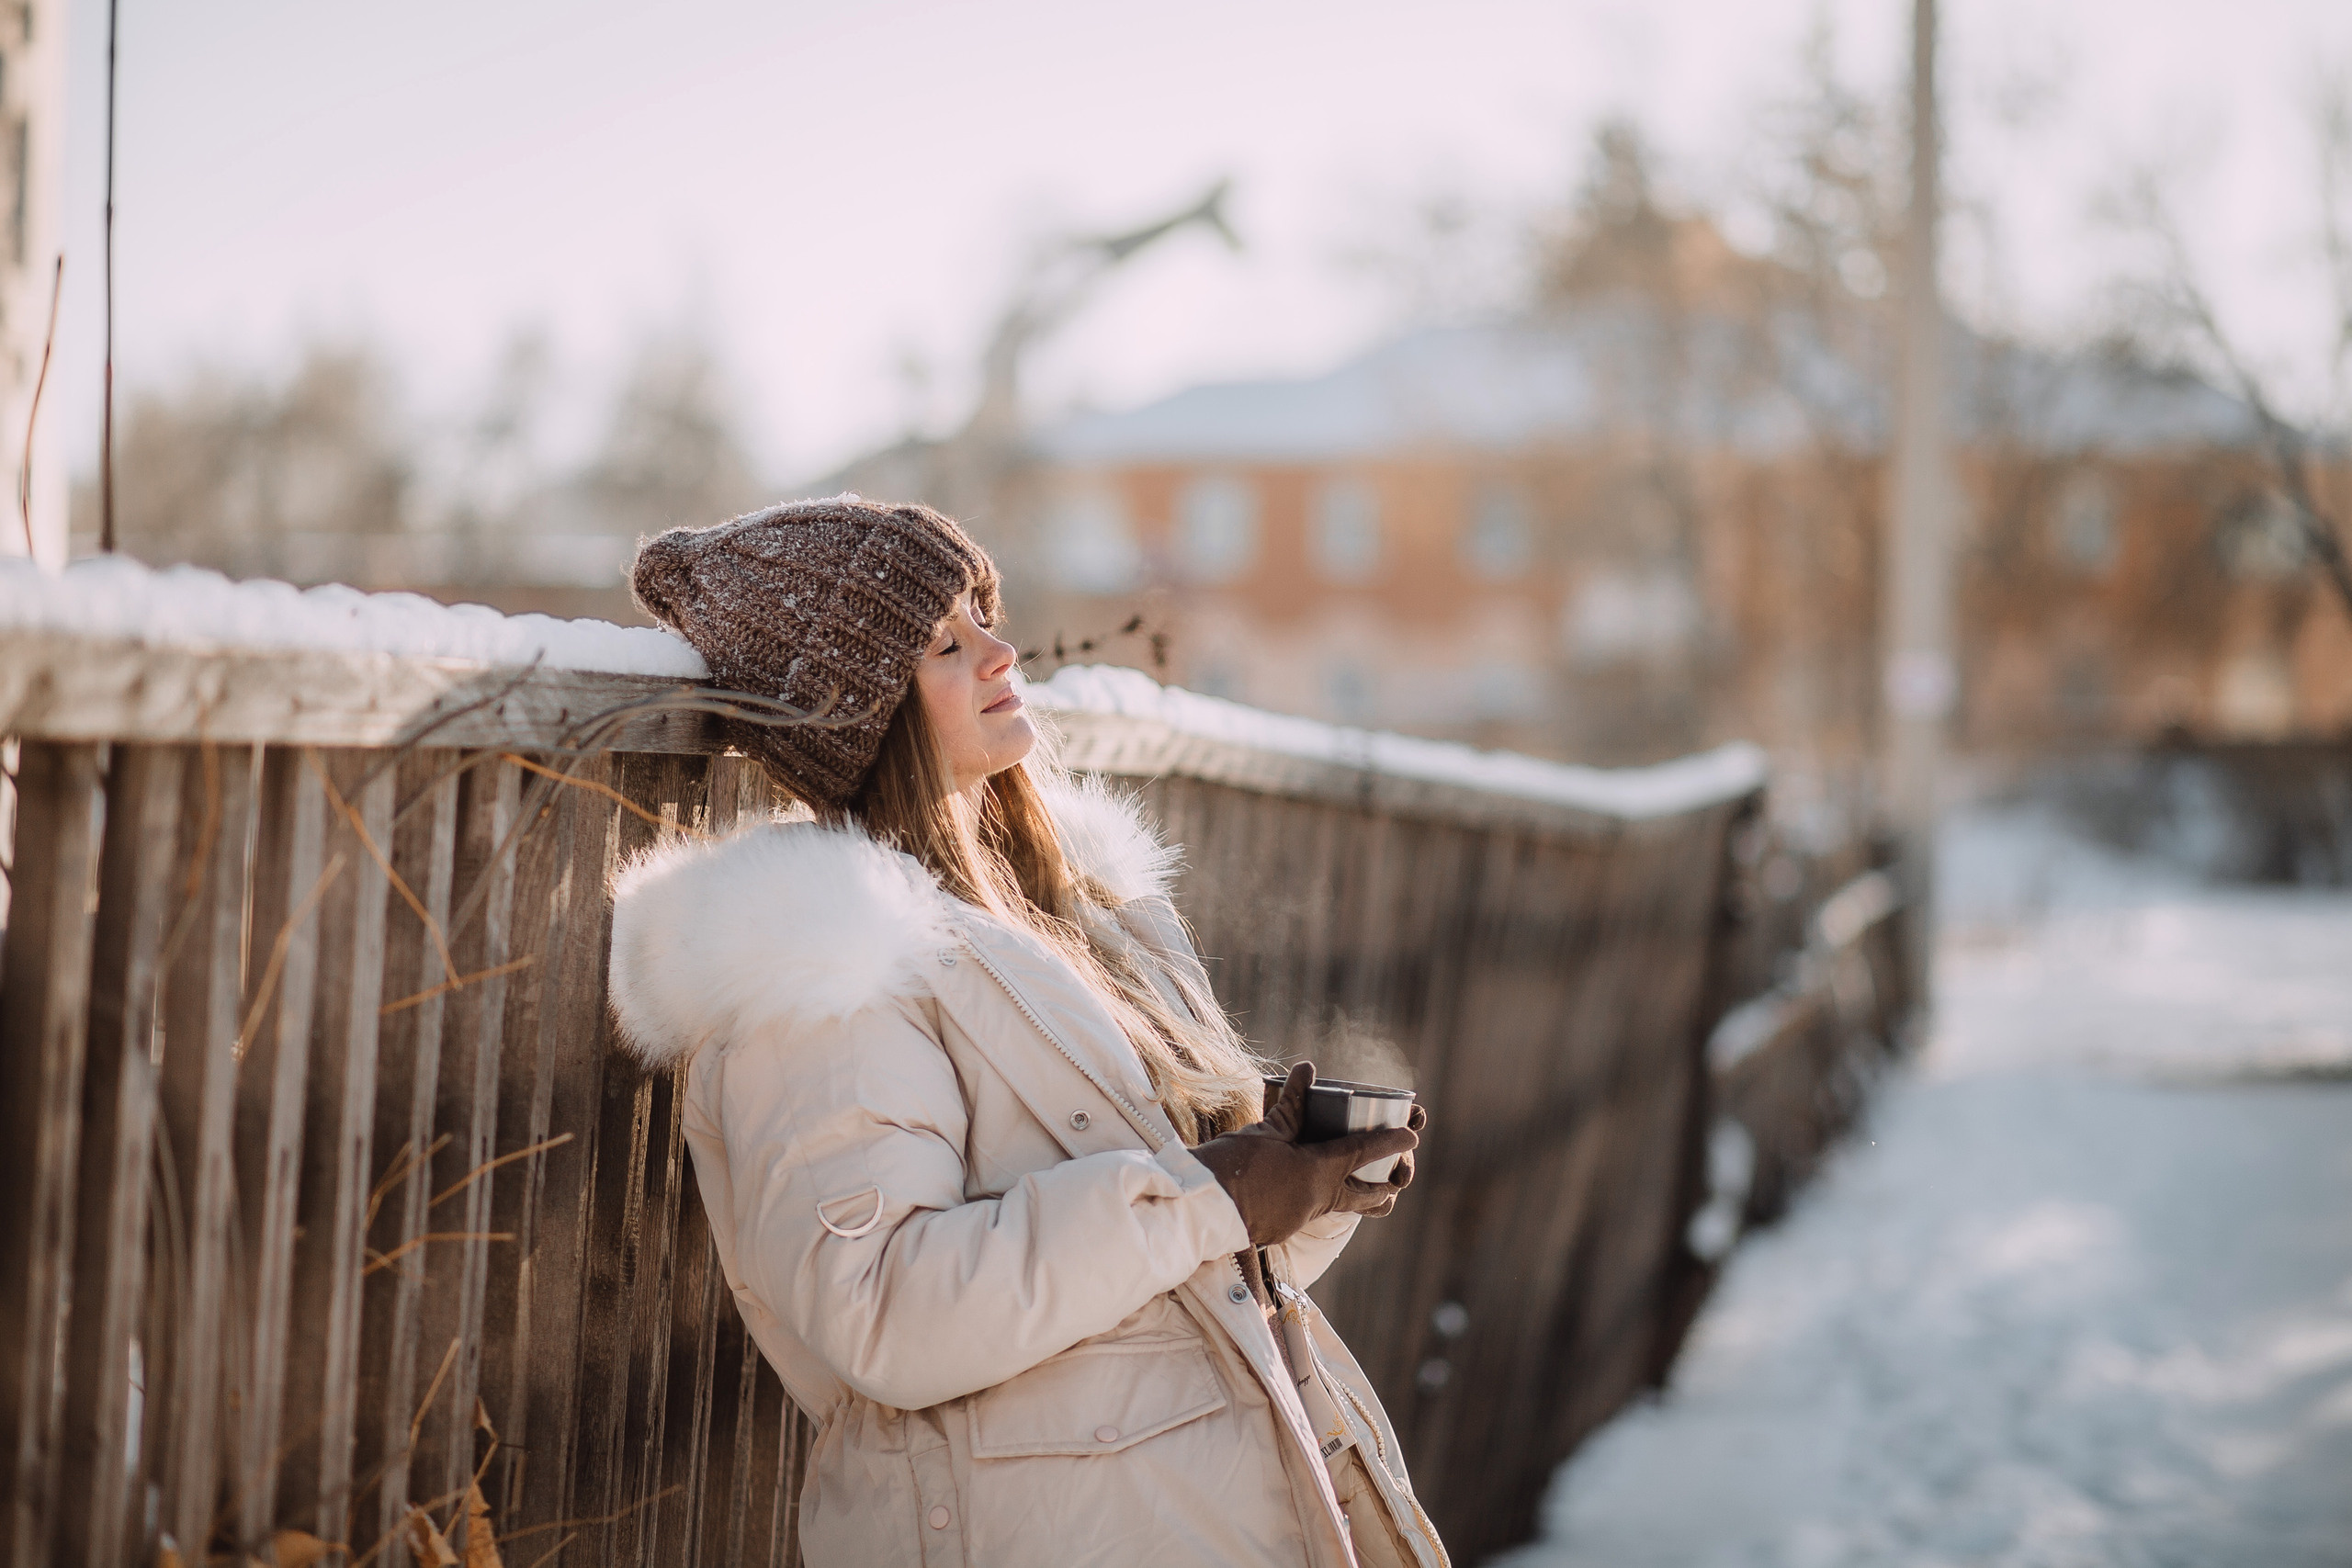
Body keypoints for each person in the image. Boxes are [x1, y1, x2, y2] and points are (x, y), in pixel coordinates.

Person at [608, 496, 1449, 1567]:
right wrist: (1213, 1192)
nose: (1003, 652)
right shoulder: (831, 976)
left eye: (984, 615)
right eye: (947, 645)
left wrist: (1299, 1189)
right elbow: (888, 1317)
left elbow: (1167, 1294)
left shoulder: (1082, 919)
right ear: (858, 714)